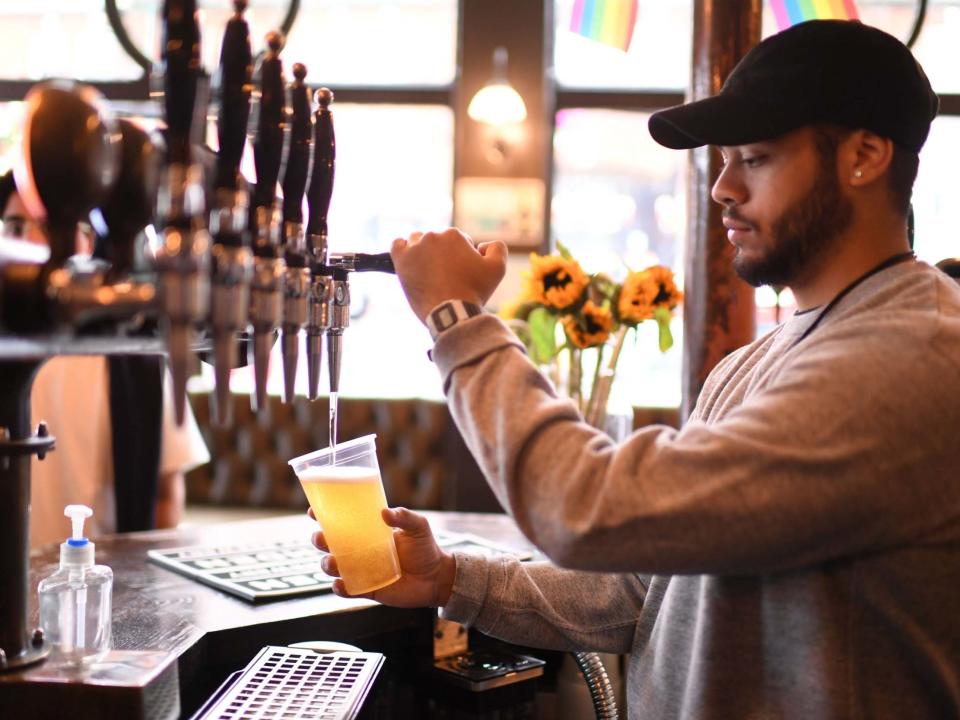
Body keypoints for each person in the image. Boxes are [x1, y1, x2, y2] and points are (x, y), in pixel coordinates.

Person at [311, 20, 960, 719]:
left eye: (757, 158)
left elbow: (589, 511)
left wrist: (456, 318)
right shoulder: (753, 365)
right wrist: (450, 578)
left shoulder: (911, 356)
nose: (722, 189)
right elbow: (643, 593)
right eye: (724, 159)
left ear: (864, 156)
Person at [1, 169, 210, 546]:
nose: (31, 246)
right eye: (16, 228)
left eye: (48, 228)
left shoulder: (129, 351)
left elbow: (165, 492)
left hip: (93, 584)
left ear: (86, 240)